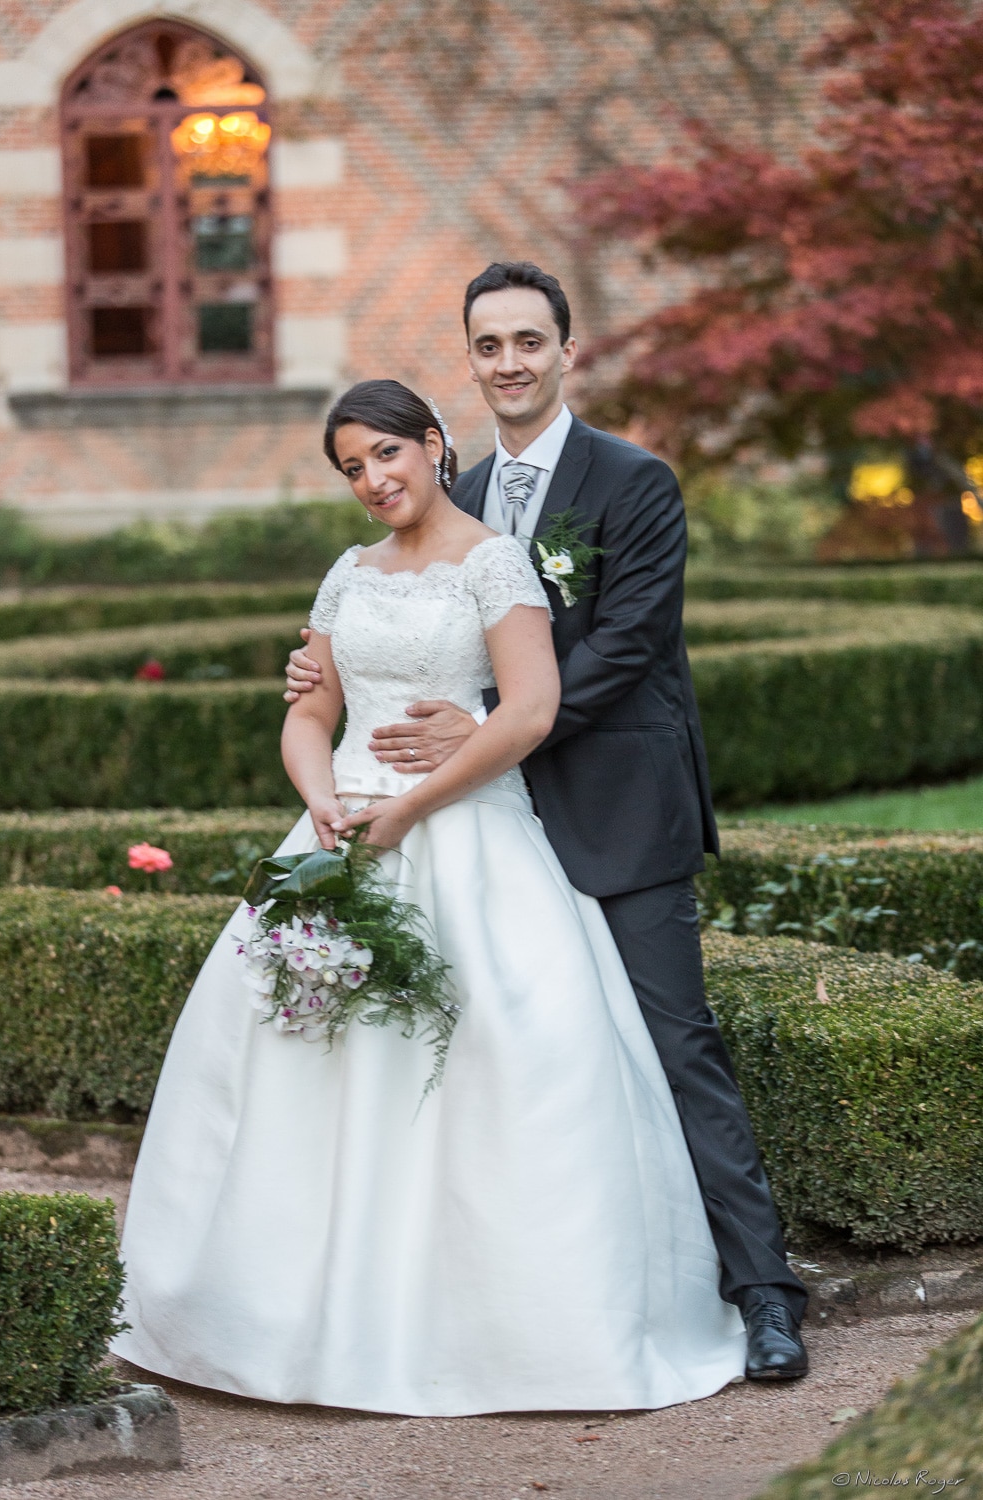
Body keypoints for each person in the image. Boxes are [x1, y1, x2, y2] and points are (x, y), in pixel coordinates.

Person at [113, 379, 747, 1415]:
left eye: (384, 455)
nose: (372, 480)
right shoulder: (346, 574)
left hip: (467, 839)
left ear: (432, 445)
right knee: (302, 1068)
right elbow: (308, 713)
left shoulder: (493, 563)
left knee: (505, 1064)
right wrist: (324, 806)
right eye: (352, 467)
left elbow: (532, 709)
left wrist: (410, 810)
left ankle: (492, 1326)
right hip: (342, 839)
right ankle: (283, 1321)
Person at [285, 262, 809, 1380]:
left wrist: (478, 722)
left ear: (567, 352)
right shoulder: (442, 485)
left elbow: (624, 647)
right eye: (488, 346)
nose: (510, 362)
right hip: (479, 828)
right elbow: (405, 619)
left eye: (530, 341)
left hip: (611, 808)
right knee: (506, 1069)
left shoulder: (635, 481)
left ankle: (763, 1294)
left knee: (673, 1046)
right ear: (468, 363)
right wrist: (333, 661)